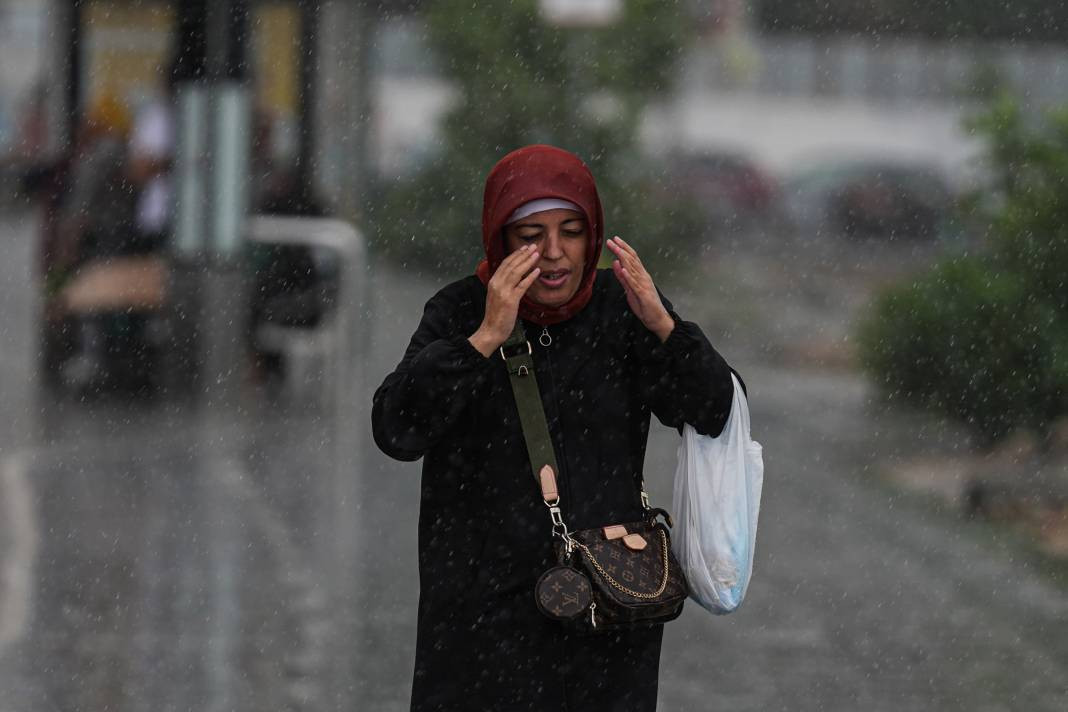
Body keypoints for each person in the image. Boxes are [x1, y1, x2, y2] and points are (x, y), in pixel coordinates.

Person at [372, 144, 740, 711]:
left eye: (570, 231)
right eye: (529, 235)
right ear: (499, 239)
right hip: (481, 623)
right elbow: (396, 429)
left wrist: (666, 327)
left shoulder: (623, 310)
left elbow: (715, 409)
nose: (553, 253)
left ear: (592, 235)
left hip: (610, 612)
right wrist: (484, 340)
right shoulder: (460, 311)